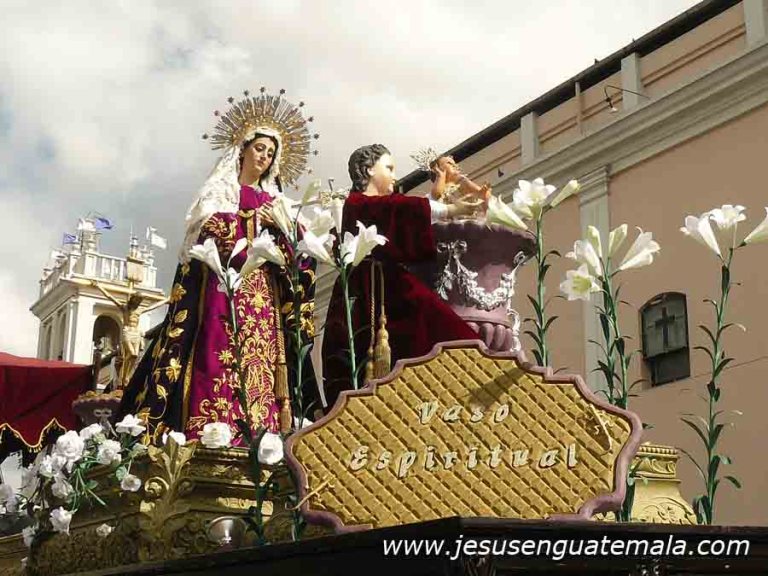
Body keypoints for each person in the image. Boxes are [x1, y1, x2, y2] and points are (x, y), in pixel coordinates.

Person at [118, 90, 317, 444]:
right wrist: (254, 220)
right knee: (218, 353)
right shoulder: (220, 192)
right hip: (225, 290)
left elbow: (299, 252)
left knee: (263, 363)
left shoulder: (278, 202)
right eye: (259, 149)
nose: (264, 157)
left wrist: (281, 227)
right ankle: (212, 430)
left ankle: (262, 435)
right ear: (243, 149)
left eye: (271, 153)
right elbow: (208, 230)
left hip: (263, 296)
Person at [321, 144, 483, 410]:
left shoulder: (379, 207)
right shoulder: (354, 204)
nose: (395, 177)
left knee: (448, 334)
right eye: (389, 168)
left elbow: (398, 213)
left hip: (385, 284)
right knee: (440, 330)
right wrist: (450, 210)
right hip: (369, 291)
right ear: (369, 170)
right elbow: (396, 210)